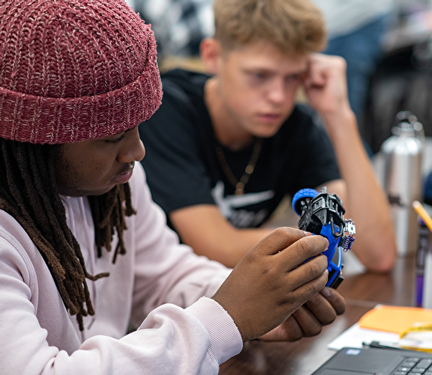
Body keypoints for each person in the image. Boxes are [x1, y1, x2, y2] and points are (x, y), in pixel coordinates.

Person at [0, 1, 346, 374]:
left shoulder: (112, 183)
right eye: (113, 137)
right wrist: (225, 318)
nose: (137, 151)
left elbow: (163, 274)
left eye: (138, 126)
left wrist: (261, 302)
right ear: (35, 137)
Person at [139, 0, 397, 272]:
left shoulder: (297, 125)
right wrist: (330, 239)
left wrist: (339, 116)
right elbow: (216, 245)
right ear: (212, 56)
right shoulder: (165, 110)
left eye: (293, 77)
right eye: (260, 75)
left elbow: (377, 252)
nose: (279, 97)